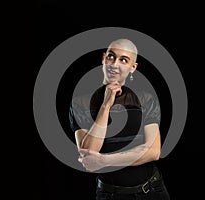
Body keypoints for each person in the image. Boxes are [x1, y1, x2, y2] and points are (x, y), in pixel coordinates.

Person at [69, 38, 170, 200]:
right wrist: (105, 106)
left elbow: (153, 151)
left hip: (151, 192)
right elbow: (89, 156)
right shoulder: (80, 103)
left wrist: (103, 161)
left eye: (124, 60)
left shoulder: (145, 99)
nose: (115, 64)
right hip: (109, 195)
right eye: (111, 56)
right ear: (103, 58)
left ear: (132, 68)